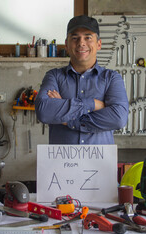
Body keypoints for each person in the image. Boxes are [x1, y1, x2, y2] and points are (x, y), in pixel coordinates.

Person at [35, 15, 129, 144]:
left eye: (88, 37)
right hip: (62, 162)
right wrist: (93, 104)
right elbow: (44, 112)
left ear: (99, 44)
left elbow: (118, 119)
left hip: (99, 163)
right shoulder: (54, 76)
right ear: (67, 45)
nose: (81, 43)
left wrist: (68, 119)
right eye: (75, 38)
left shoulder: (112, 78)